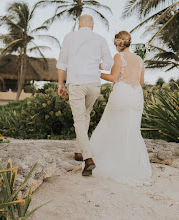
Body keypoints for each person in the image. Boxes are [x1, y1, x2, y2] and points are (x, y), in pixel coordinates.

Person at [89, 31, 152, 186]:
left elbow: (113, 78)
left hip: (122, 93)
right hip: (136, 95)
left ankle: (114, 163)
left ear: (117, 43)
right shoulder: (139, 59)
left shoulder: (119, 57)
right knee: (131, 130)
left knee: (113, 126)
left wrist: (96, 72)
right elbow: (141, 81)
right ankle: (133, 165)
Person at [56, 14, 113, 176]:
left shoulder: (69, 37)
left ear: (79, 24)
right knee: (85, 115)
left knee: (80, 119)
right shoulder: (100, 39)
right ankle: (78, 151)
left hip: (77, 83)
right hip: (94, 84)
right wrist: (97, 65)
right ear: (92, 25)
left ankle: (88, 158)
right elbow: (109, 64)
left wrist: (60, 84)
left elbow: (62, 63)